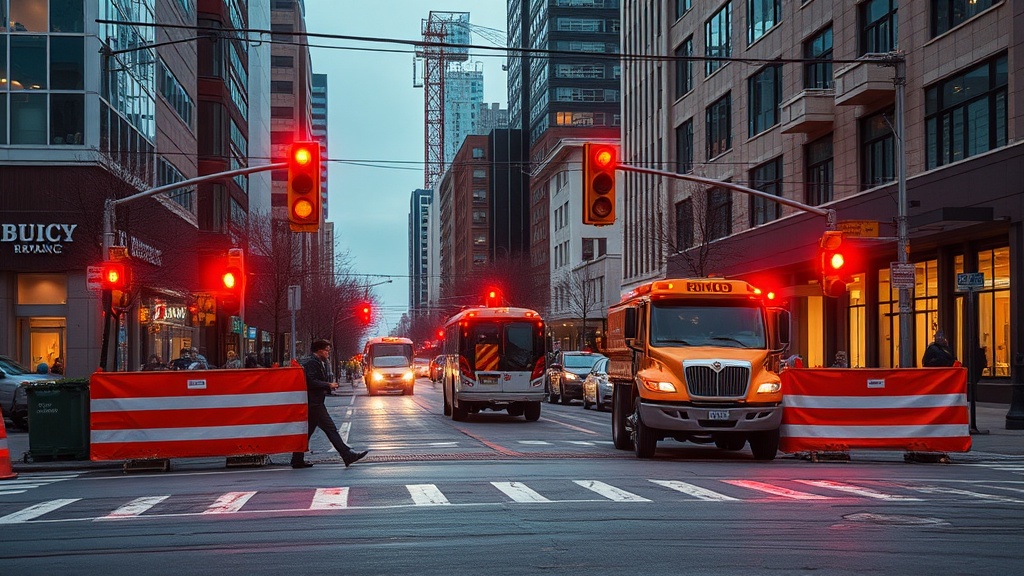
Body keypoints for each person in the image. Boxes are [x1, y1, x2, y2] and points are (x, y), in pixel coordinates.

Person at [291, 339, 369, 469]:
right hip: (314, 403)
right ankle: (346, 454)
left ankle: (297, 458)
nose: (328, 353)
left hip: (315, 402)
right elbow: (310, 381)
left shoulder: (318, 362)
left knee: (310, 432)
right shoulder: (311, 362)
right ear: (319, 350)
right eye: (327, 350)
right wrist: (328, 385)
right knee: (329, 428)